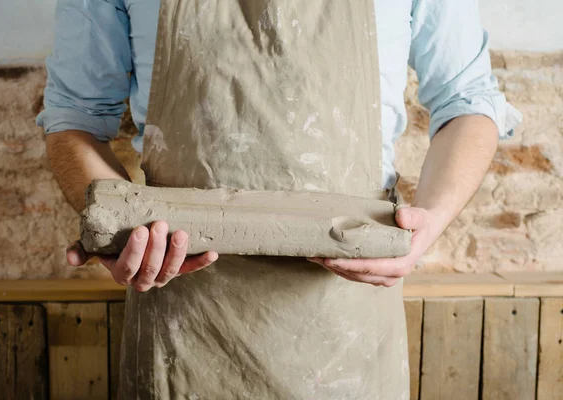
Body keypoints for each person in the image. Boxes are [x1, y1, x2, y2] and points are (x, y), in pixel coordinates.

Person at [38, 0, 520, 398]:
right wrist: (116, 227)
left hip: (344, 330)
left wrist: (429, 221)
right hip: (181, 325)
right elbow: (73, 117)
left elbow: (467, 102)